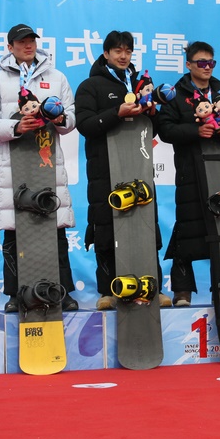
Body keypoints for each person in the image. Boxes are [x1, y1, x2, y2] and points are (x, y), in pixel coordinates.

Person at [0, 23, 79, 312]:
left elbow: (72, 118)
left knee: (54, 228)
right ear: (10, 47)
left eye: (32, 40)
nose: (28, 45)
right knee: (14, 231)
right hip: (12, 164)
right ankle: (15, 293)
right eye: (21, 41)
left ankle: (63, 291)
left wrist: (60, 119)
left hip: (47, 161)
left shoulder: (56, 77)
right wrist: (16, 126)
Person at [74, 30, 171, 310]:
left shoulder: (142, 83)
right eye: (117, 50)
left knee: (145, 226)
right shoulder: (90, 86)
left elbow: (159, 129)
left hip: (139, 164)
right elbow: (85, 125)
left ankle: (154, 288)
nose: (123, 55)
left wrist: (152, 112)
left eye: (128, 50)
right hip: (104, 167)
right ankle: (107, 291)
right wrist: (117, 112)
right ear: (106, 54)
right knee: (106, 227)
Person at [154, 41, 220, 306]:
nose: (207, 67)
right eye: (201, 63)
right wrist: (196, 132)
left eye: (211, 63)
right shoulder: (176, 93)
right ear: (189, 64)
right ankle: (182, 291)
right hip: (190, 171)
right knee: (186, 230)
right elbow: (165, 130)